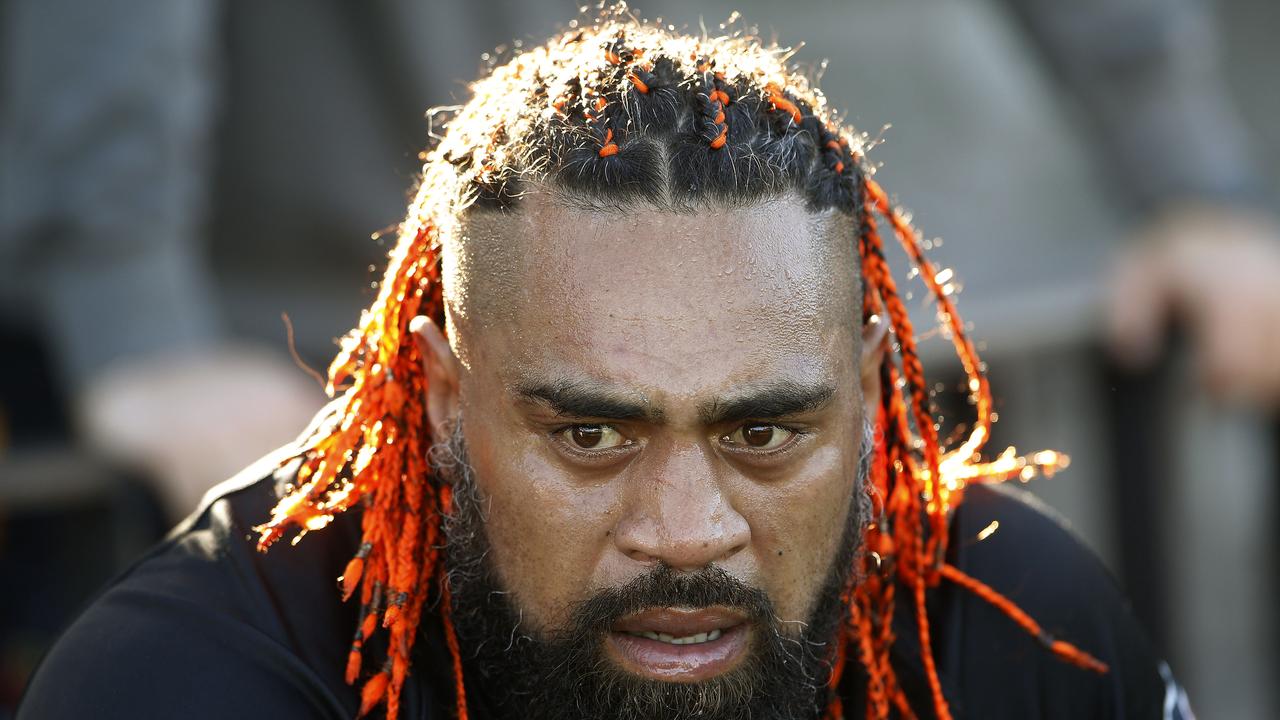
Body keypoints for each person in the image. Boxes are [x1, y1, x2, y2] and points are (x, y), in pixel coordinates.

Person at [18, 10, 1193, 720]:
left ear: (876, 399)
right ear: (435, 400)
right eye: (590, 436)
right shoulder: (188, 684)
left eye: (762, 433)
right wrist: (125, 295)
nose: (685, 532)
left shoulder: (1020, 632)